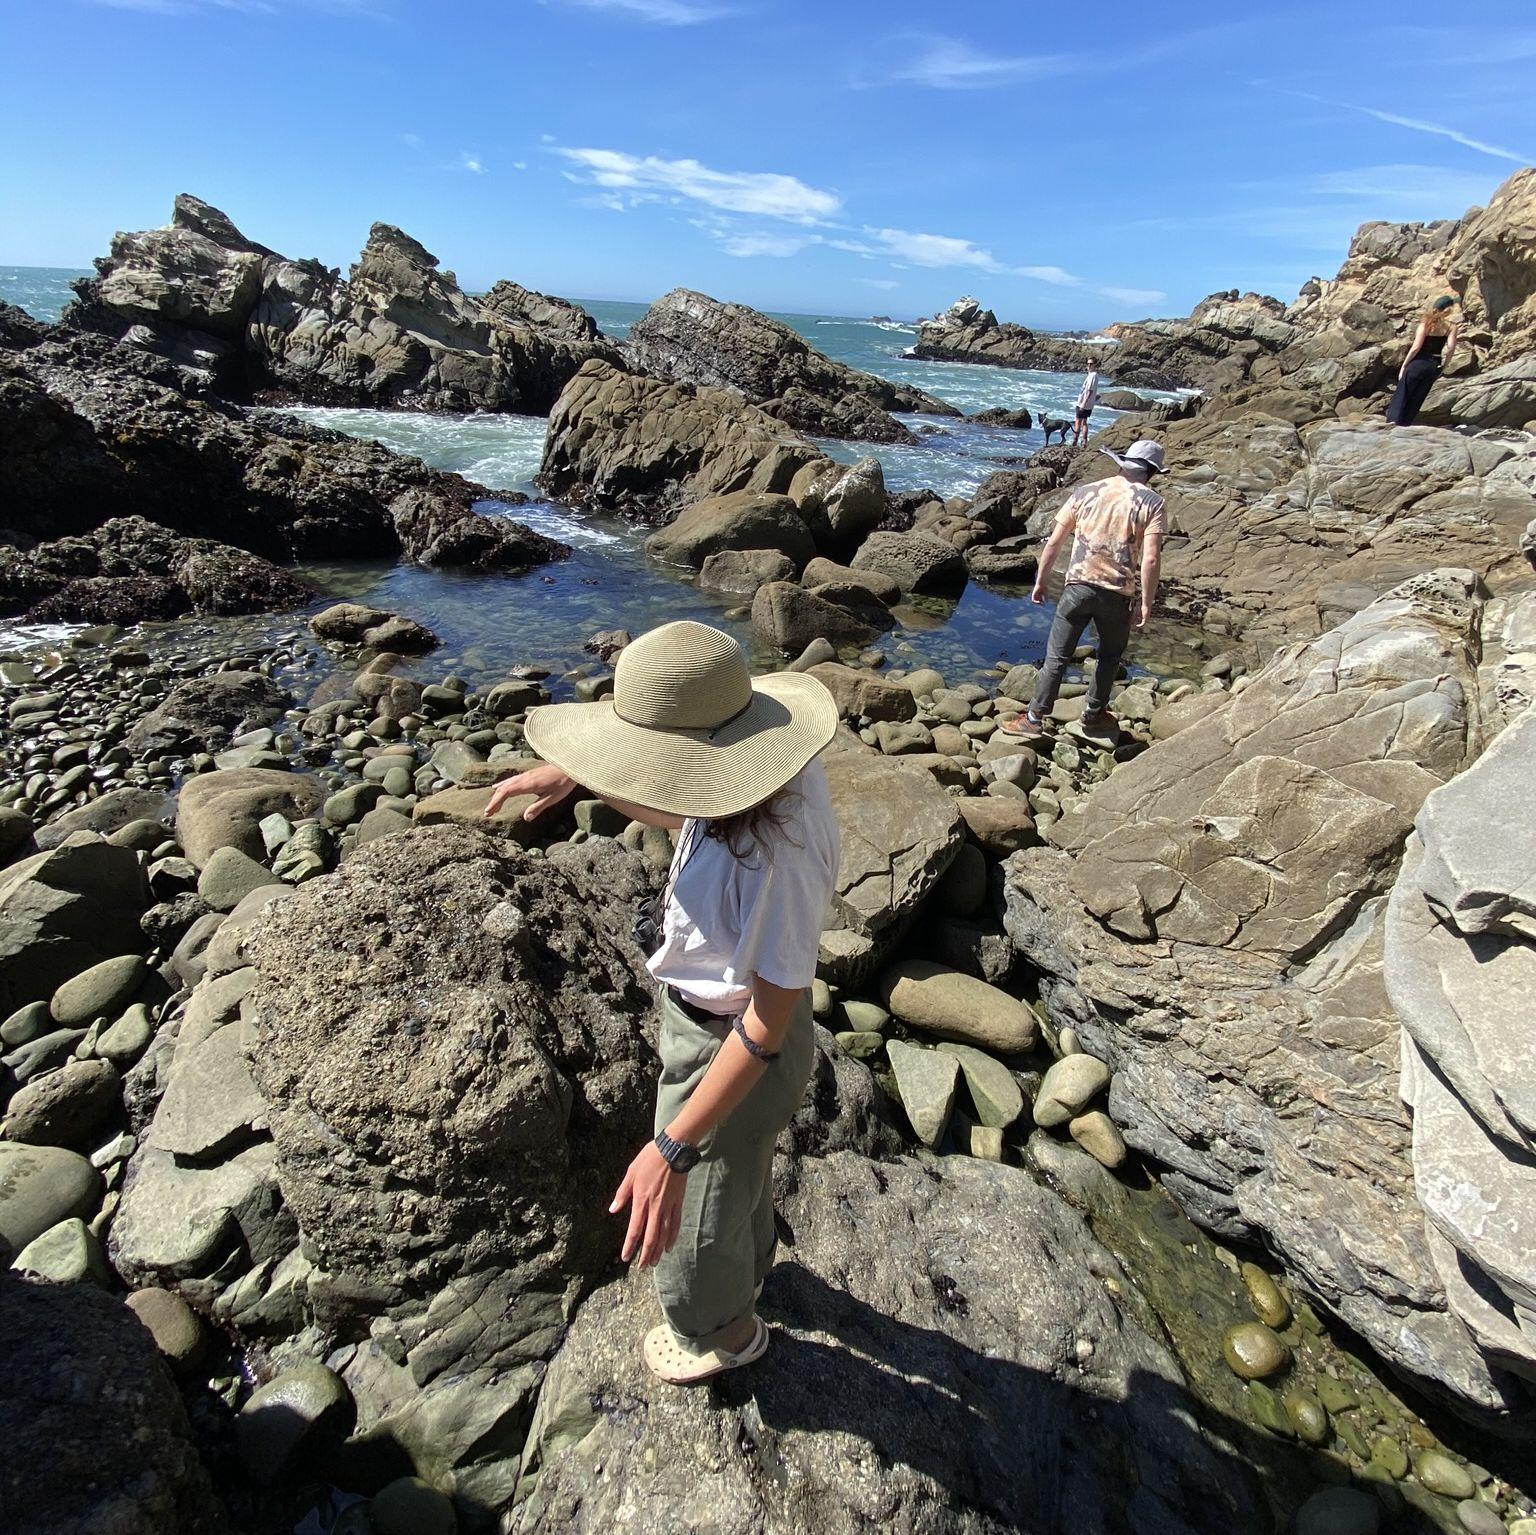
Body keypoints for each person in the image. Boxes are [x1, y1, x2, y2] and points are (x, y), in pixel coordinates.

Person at [484, 620, 839, 1386]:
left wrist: (672, 1147)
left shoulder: (781, 856)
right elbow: (680, 800)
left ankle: (726, 1331)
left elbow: (767, 1023)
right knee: (736, 1178)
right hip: (709, 1024)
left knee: (691, 1230)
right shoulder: (754, 776)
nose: (649, 782)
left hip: (737, 1047)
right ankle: (751, 1266)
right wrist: (578, 776)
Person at [1000, 439, 1168, 739]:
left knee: (1057, 657)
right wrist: (1146, 602)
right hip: (1117, 593)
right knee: (1110, 656)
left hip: (1077, 587)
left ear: (1122, 464)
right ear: (1152, 472)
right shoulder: (1152, 502)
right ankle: (1093, 715)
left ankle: (1034, 718)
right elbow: (1151, 558)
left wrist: (1041, 581)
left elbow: (1054, 541)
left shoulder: (1086, 491)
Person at [1387, 295, 1459, 426]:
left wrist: (1404, 365)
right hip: (1434, 364)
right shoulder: (1451, 327)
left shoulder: (1425, 324)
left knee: (1403, 394)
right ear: (1448, 309)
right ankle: (1405, 424)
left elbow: (1416, 348)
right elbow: (1450, 349)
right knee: (1418, 396)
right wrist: (1444, 366)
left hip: (1418, 362)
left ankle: (1393, 423)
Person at [1071, 362, 1101, 446]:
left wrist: (1084, 403)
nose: (1089, 365)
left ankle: (1075, 441)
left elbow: (1090, 390)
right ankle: (1083, 441)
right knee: (1084, 422)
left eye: (1091, 364)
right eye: (1088, 363)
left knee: (1078, 421)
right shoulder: (1091, 375)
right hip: (1087, 403)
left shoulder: (1093, 375)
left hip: (1084, 403)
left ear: (1095, 365)